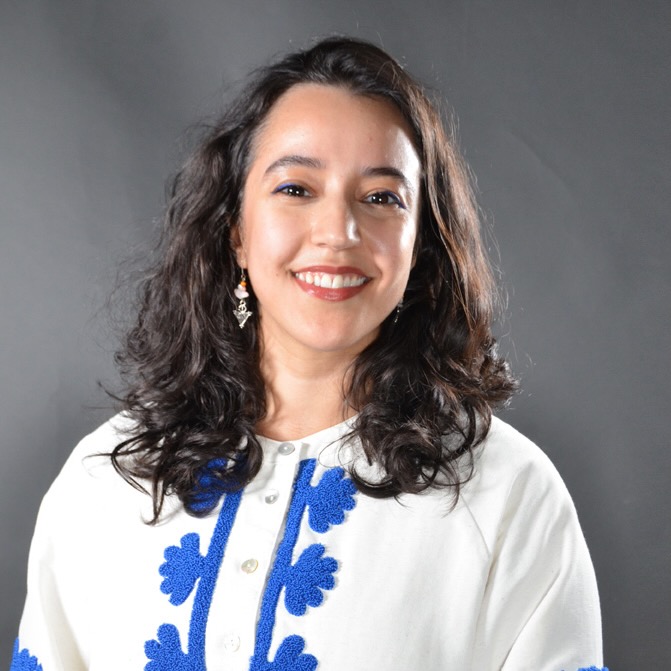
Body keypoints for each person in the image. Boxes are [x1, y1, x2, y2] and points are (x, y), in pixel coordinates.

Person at [11, 37, 606, 671]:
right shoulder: (107, 479)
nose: (338, 233)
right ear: (236, 231)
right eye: (296, 188)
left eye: (381, 198)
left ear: (419, 247)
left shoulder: (505, 493)